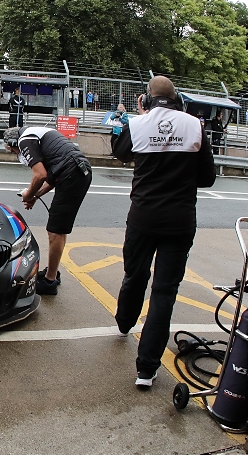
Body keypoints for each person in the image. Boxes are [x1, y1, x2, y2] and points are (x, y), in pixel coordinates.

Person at [112, 76, 215, 388]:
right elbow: (208, 178)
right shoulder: (195, 126)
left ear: (146, 99)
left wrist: (136, 122)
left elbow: (120, 152)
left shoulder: (139, 124)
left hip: (143, 217)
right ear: (177, 99)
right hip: (180, 219)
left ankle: (124, 322)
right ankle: (146, 369)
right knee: (164, 291)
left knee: (134, 274)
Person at [3, 125, 92, 295]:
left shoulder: (24, 140)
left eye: (13, 151)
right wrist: (35, 196)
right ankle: (52, 272)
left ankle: (50, 281)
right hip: (78, 170)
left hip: (72, 172)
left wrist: (29, 194)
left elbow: (40, 175)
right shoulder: (38, 135)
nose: (16, 154)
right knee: (59, 230)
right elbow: (52, 177)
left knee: (55, 231)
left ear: (13, 143)